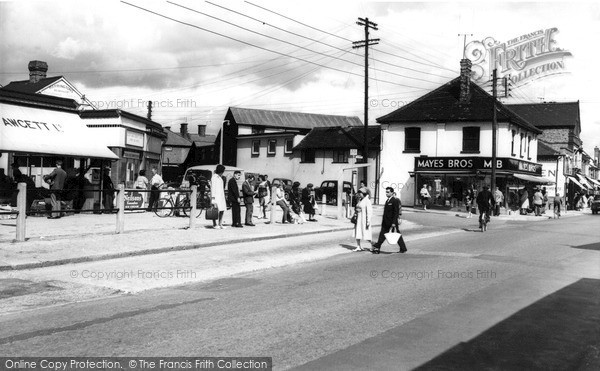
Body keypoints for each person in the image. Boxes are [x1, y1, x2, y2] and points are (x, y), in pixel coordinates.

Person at [371, 187, 407, 254]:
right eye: (386, 192)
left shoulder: (395, 200)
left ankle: (377, 246)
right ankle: (378, 247)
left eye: (388, 192)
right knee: (383, 234)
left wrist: (393, 223)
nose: (386, 193)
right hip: (385, 222)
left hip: (391, 222)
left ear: (392, 193)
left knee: (396, 235)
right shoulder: (387, 201)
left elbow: (396, 212)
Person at [211, 165, 227, 229]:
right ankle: (214, 224)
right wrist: (213, 199)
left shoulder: (220, 178)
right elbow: (213, 189)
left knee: (222, 210)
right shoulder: (214, 177)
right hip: (216, 197)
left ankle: (220, 224)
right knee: (215, 211)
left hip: (221, 197)